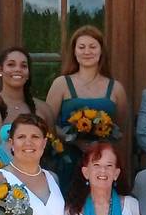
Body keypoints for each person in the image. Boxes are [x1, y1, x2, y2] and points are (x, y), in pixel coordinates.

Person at [45, 26, 129, 193]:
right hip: (69, 160)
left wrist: (101, 143)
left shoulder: (116, 88)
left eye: (92, 46)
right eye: (81, 47)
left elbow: (121, 129)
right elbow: (48, 125)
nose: (87, 52)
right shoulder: (61, 84)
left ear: (101, 51)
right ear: (74, 52)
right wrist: (74, 139)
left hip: (104, 165)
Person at [0, 46, 56, 140]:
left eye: (23, 66)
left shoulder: (44, 109)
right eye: (11, 64)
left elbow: (54, 148)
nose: (18, 69)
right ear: (0, 70)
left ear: (28, 73)